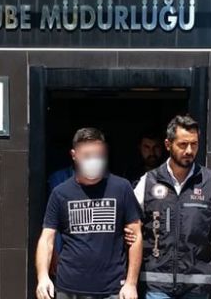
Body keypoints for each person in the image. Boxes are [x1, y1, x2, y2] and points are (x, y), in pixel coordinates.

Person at [125, 115, 211, 299]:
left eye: (194, 144)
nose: (189, 150)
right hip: (157, 284)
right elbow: (131, 221)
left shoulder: (210, 181)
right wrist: (129, 231)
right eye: (183, 144)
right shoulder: (149, 181)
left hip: (198, 285)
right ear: (168, 144)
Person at [36, 127, 144, 299]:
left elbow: (136, 236)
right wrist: (43, 277)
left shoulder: (121, 188)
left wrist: (131, 283)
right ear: (74, 155)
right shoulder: (60, 193)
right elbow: (47, 238)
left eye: (98, 155)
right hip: (69, 289)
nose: (93, 161)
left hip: (112, 289)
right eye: (87, 156)